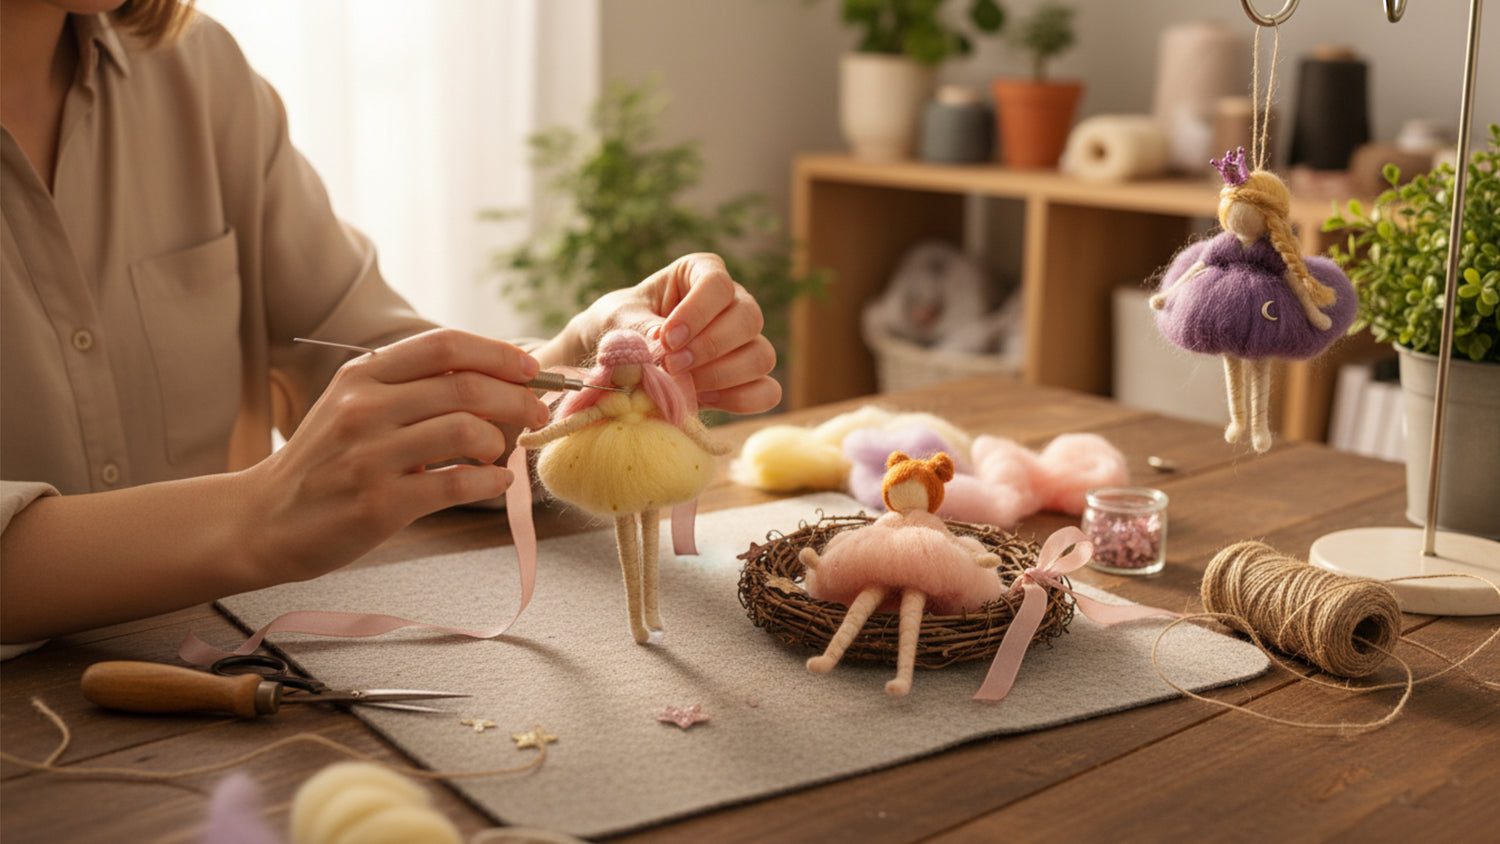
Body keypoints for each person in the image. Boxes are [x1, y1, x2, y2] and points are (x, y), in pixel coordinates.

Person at [0, 0, 779, 650]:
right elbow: (294, 488)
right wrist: (262, 512)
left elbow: (357, 348)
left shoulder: (197, 74)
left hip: (217, 683)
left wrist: (570, 369)